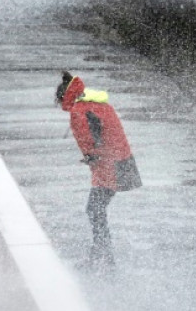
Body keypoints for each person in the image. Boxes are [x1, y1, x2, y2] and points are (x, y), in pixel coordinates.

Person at [55, 71, 142, 270]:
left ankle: (104, 258)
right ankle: (100, 255)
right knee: (97, 209)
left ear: (63, 97)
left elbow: (93, 139)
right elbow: (105, 132)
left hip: (109, 166)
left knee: (94, 210)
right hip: (122, 160)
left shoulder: (79, 110)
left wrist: (91, 156)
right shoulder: (97, 103)